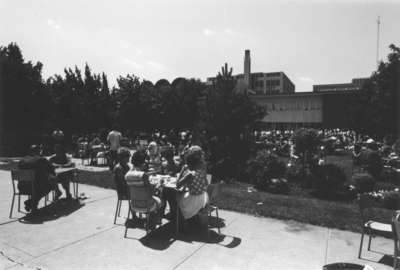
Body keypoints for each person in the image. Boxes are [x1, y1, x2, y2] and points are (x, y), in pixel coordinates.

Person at [125, 150, 163, 225]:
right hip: (147, 206)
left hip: (133, 205)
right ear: (142, 162)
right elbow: (151, 193)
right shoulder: (143, 176)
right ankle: (154, 221)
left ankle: (152, 219)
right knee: (161, 198)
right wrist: (158, 184)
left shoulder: (127, 175)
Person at [176, 146, 209, 229]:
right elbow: (206, 182)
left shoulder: (190, 174)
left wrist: (182, 170)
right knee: (183, 194)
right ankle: (192, 219)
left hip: (194, 201)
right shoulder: (203, 167)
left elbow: (178, 185)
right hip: (204, 197)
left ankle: (182, 223)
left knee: (174, 198)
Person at [18, 145, 56, 212]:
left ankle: (33, 205)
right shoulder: (41, 159)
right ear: (39, 151)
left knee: (40, 183)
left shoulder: (22, 160)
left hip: (22, 187)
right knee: (50, 186)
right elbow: (51, 169)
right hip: (36, 187)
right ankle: (31, 202)